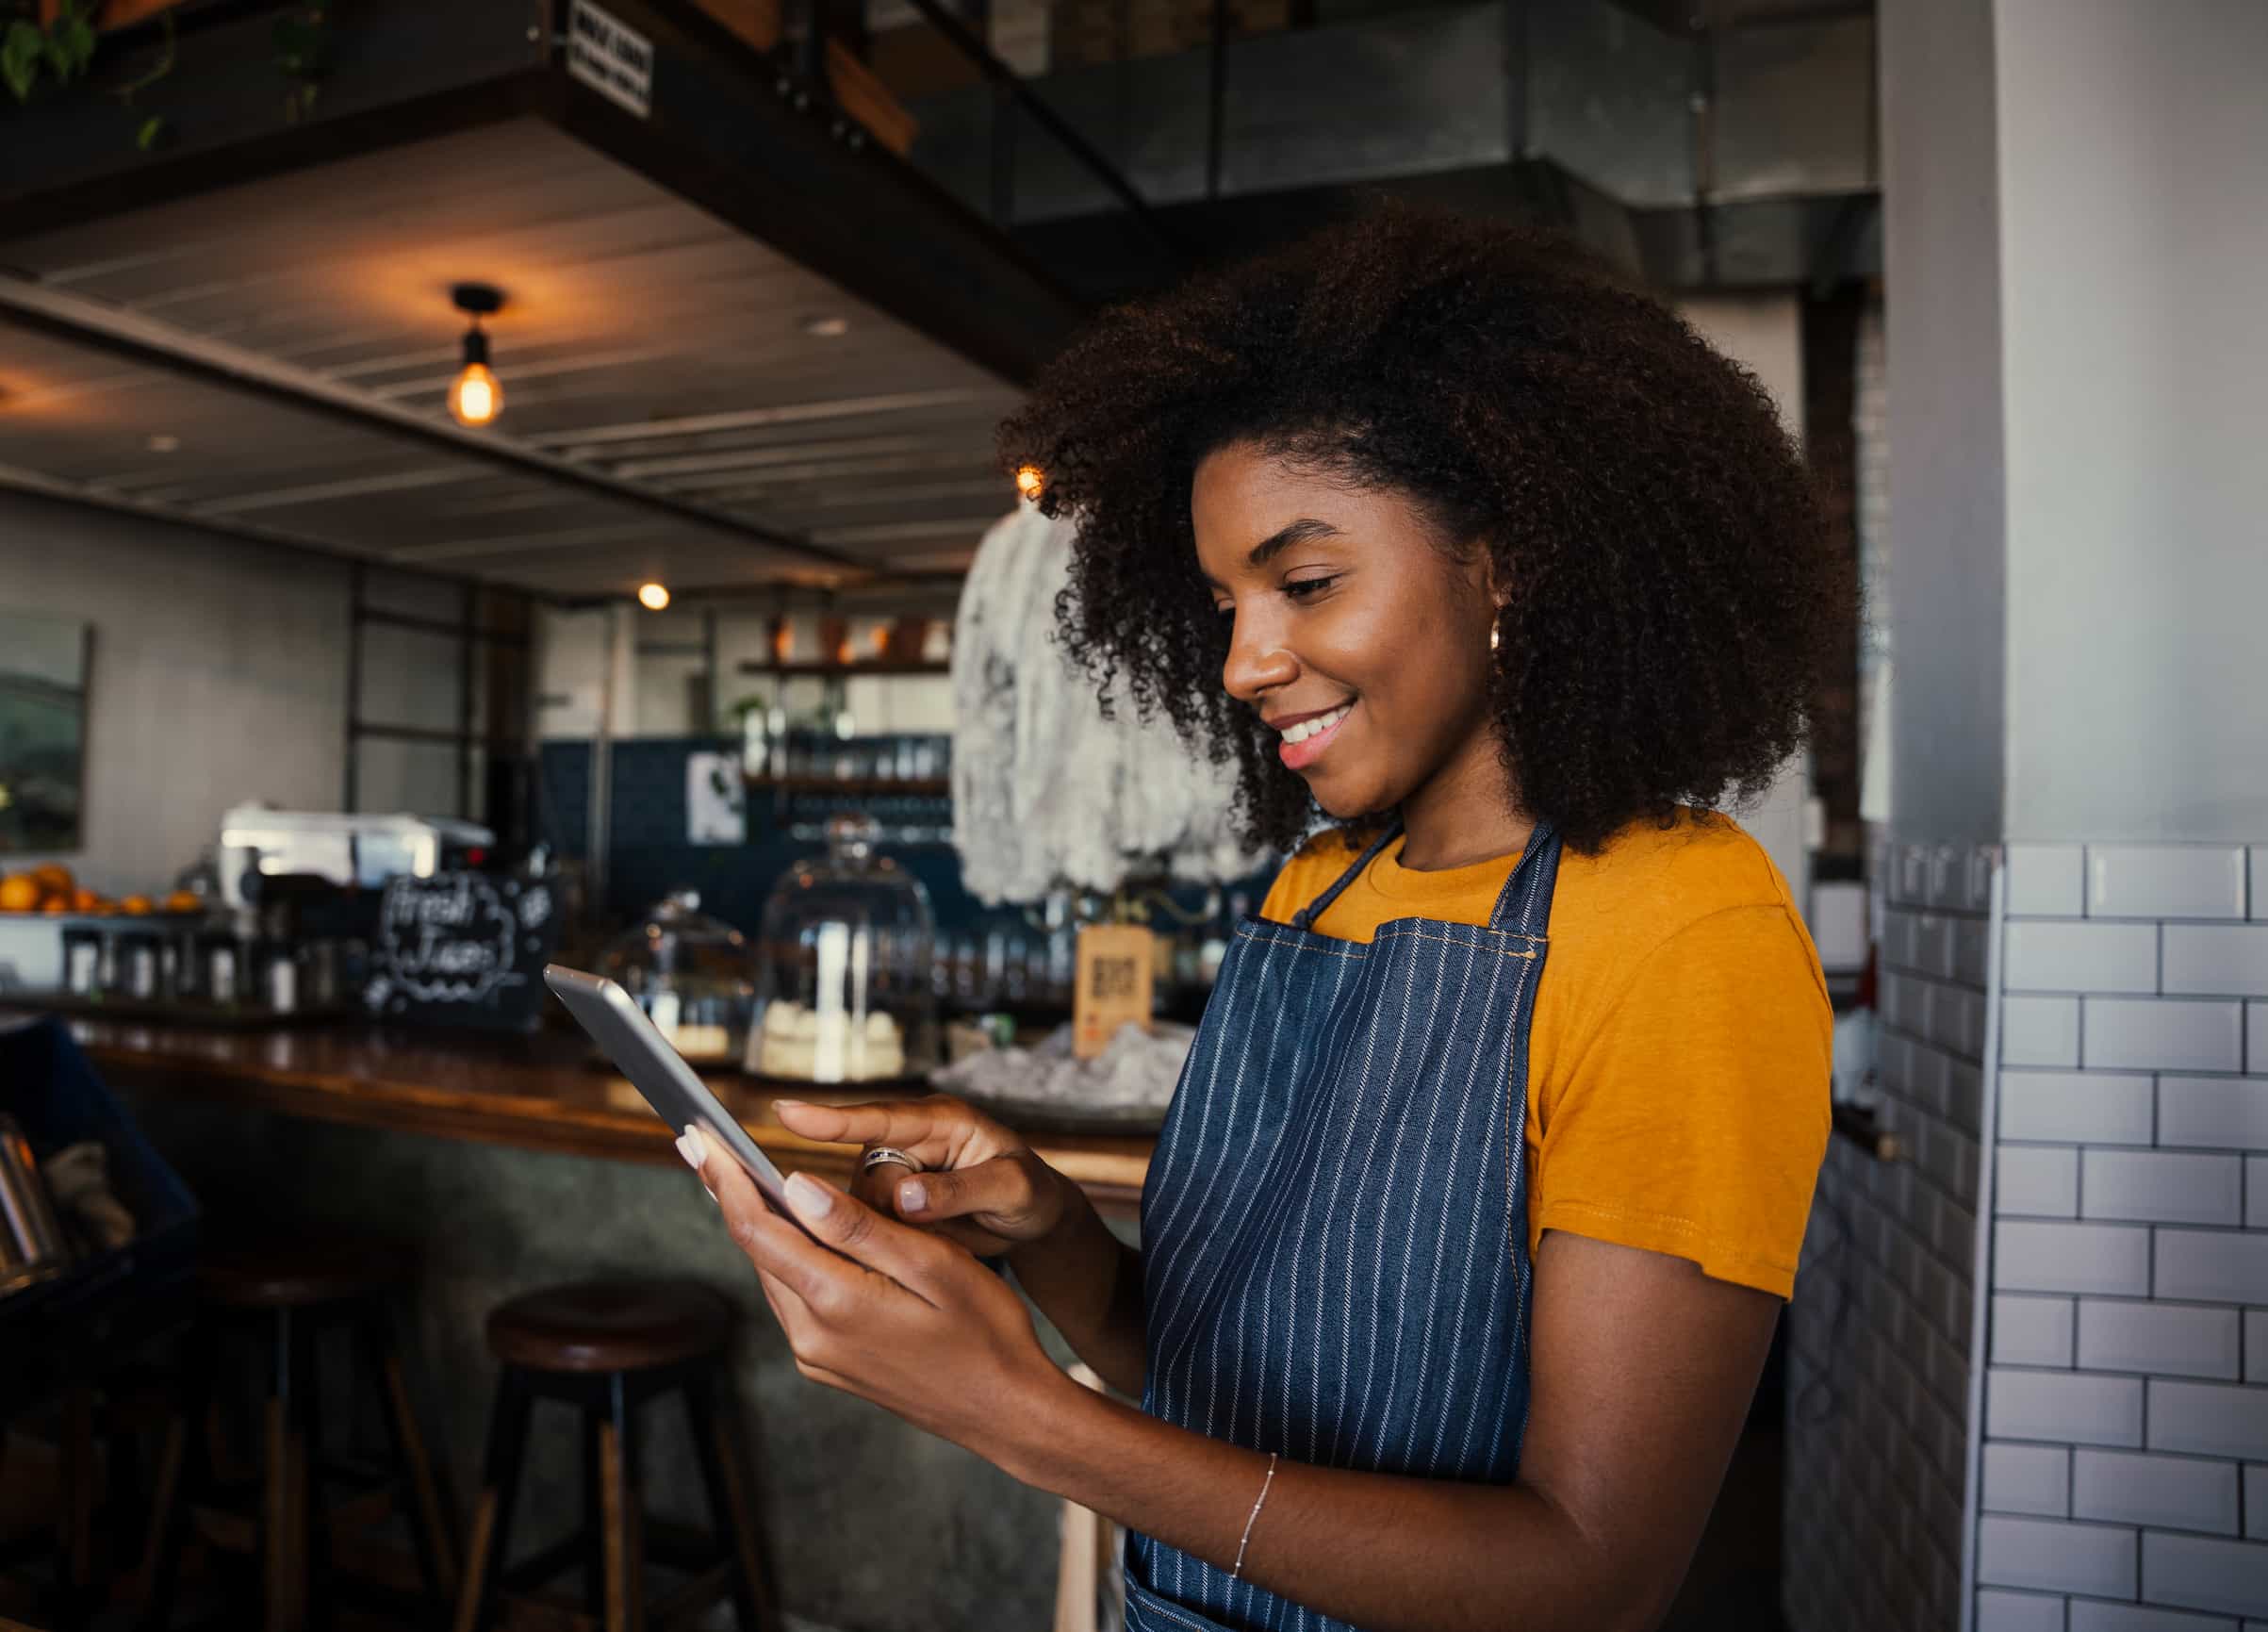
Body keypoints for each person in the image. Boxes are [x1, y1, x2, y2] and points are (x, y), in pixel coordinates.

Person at [677, 207, 1839, 1632]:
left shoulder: (1677, 929)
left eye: (1303, 584)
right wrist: (1045, 1230)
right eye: (1224, 600)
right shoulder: (1321, 881)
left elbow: (1584, 1579)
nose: (1241, 661)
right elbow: (1218, 1382)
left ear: (1510, 557)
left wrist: (1017, 1417)